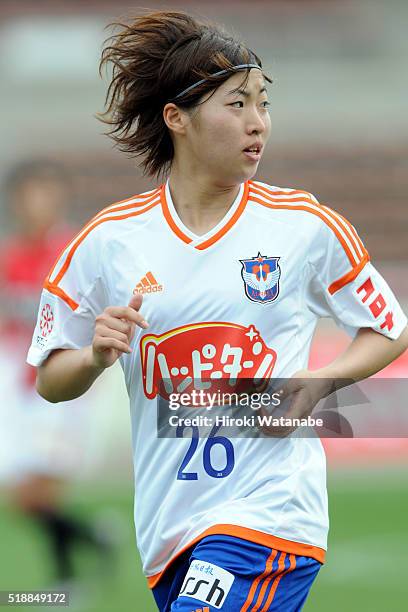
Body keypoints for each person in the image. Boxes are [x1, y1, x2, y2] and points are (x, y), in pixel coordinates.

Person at [26, 11, 408, 611]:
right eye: (236, 104)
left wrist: (316, 384)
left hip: (271, 512)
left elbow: (389, 327)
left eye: (263, 103)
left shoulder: (303, 226)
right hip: (169, 528)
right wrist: (97, 356)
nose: (258, 123)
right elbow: (51, 381)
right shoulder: (108, 241)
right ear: (176, 118)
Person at [0, 160, 112, 590]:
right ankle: (91, 543)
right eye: (28, 195)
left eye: (44, 193)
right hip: (20, 392)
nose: (36, 204)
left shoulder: (73, 253)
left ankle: (66, 576)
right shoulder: (12, 258)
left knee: (37, 491)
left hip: (64, 390)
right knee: (24, 496)